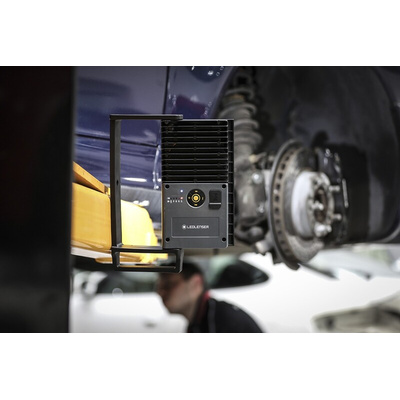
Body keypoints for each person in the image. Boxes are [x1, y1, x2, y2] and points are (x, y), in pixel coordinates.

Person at [156, 260, 263, 333]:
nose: (160, 292)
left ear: (196, 284)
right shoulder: (205, 318)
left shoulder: (222, 319)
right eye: (158, 287)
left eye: (169, 285)